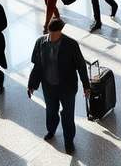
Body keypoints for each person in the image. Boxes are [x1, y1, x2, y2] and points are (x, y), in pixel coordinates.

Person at [27, 18, 91, 155]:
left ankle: (69, 141)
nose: (53, 35)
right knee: (51, 109)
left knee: (68, 114)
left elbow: (81, 66)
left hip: (67, 87)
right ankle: (51, 130)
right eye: (51, 32)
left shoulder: (71, 45)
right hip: (49, 85)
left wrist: (86, 86)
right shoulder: (41, 43)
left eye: (56, 32)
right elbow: (37, 66)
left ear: (60, 31)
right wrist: (31, 85)